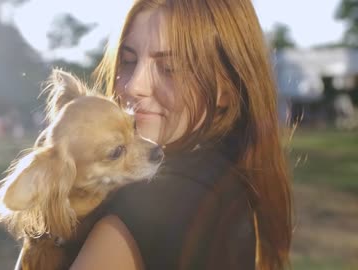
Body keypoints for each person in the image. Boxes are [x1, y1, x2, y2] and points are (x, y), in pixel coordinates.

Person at [68, 0, 293, 270]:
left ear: (228, 88)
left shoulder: (149, 203)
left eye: (169, 68)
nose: (134, 85)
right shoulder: (228, 178)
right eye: (128, 61)